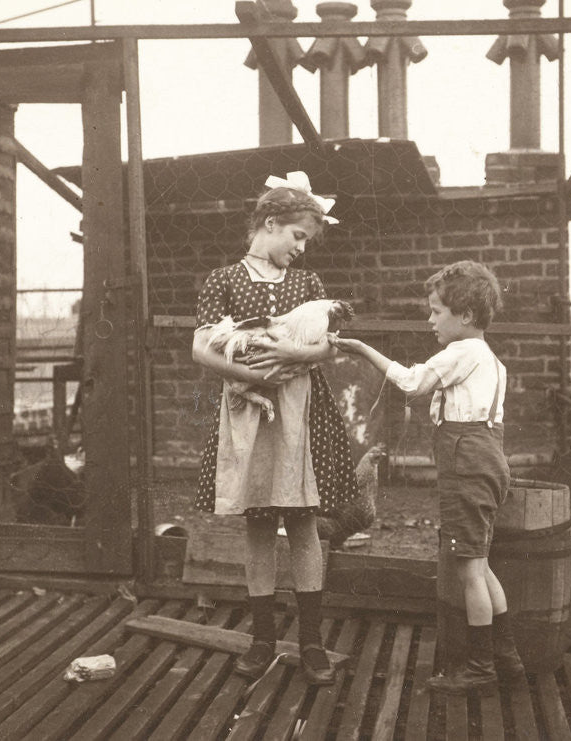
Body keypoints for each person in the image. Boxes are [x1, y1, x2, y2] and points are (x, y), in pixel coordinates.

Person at [330, 260, 526, 695]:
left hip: (467, 464)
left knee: (469, 569)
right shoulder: (490, 359)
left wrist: (362, 350)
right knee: (480, 563)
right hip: (488, 458)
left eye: (437, 311)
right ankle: (506, 659)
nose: (430, 320)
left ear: (466, 316)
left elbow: (412, 384)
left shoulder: (463, 351)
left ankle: (480, 668)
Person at [192, 171, 358, 685]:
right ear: (270, 224)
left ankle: (311, 643)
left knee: (304, 524)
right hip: (249, 410)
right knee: (260, 524)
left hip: (301, 411)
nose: (301, 249)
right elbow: (200, 347)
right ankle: (262, 639)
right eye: (297, 237)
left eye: (306, 240)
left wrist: (293, 352)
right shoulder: (222, 279)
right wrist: (248, 376)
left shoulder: (307, 285)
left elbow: (330, 345)